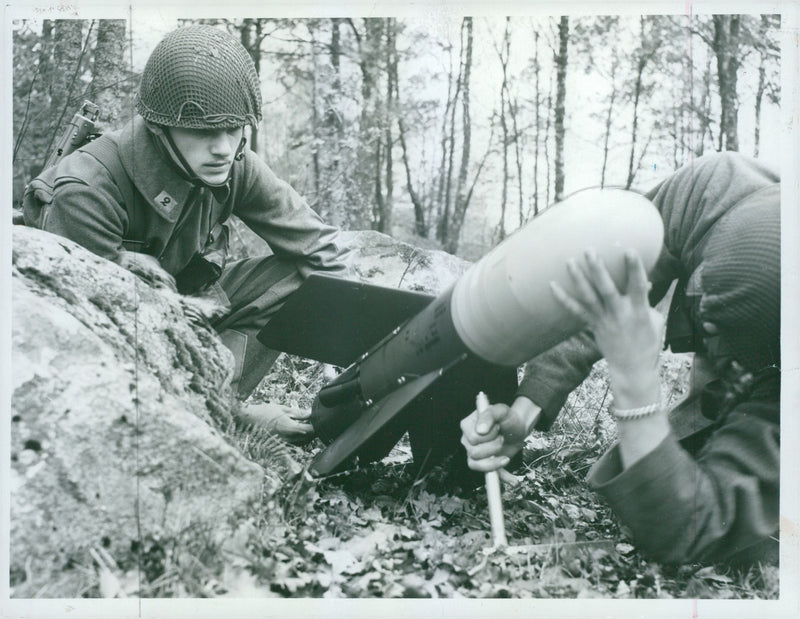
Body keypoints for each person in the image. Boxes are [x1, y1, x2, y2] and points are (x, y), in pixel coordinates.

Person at [22, 25, 349, 443]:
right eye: (204, 131)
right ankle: (216, 412)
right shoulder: (85, 194)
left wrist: (350, 348)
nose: (224, 148)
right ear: (158, 127)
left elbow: (320, 246)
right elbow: (103, 348)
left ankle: (218, 397)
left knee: (303, 278)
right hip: (120, 349)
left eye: (234, 129)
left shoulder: (230, 162)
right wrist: (239, 414)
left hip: (181, 316)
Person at [461, 152, 780, 565]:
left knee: (749, 544)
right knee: (655, 475)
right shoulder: (713, 190)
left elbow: (692, 528)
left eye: (729, 345)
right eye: (707, 318)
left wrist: (634, 379)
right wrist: (524, 413)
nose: (713, 344)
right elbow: (602, 291)